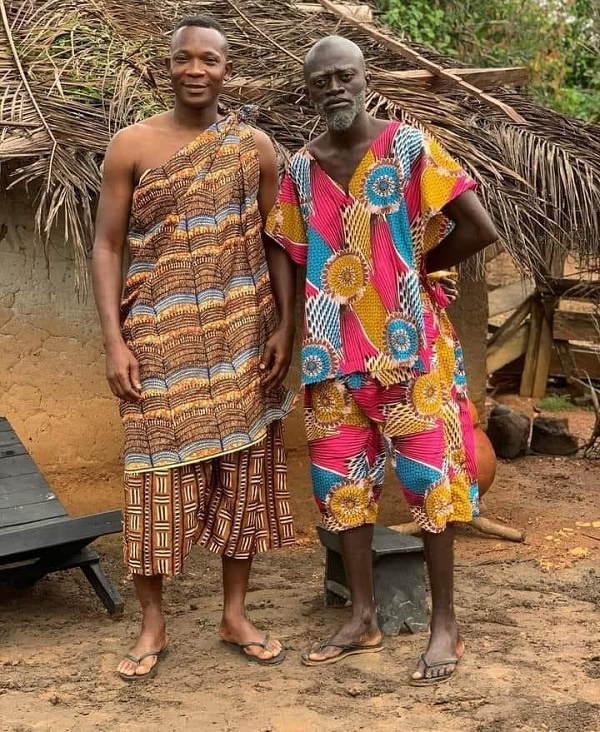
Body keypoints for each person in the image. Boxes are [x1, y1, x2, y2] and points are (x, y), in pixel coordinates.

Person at [266, 35, 498, 685]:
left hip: (410, 353)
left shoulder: (408, 147)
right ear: (308, 93)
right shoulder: (300, 171)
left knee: (430, 488)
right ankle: (361, 615)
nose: (335, 88)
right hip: (331, 354)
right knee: (341, 493)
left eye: (345, 76)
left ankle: (444, 624)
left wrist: (420, 268)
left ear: (365, 79)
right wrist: (288, 328)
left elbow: (480, 228)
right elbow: (285, 252)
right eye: (322, 81)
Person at [92, 15, 296, 680]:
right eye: (185, 58)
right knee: (154, 477)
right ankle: (153, 625)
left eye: (209, 59)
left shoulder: (254, 147)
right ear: (167, 67)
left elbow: (276, 240)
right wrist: (114, 341)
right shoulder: (131, 145)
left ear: (226, 70)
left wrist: (285, 325)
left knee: (244, 474)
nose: (196, 69)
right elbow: (107, 245)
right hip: (156, 337)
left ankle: (234, 613)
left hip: (243, 334)